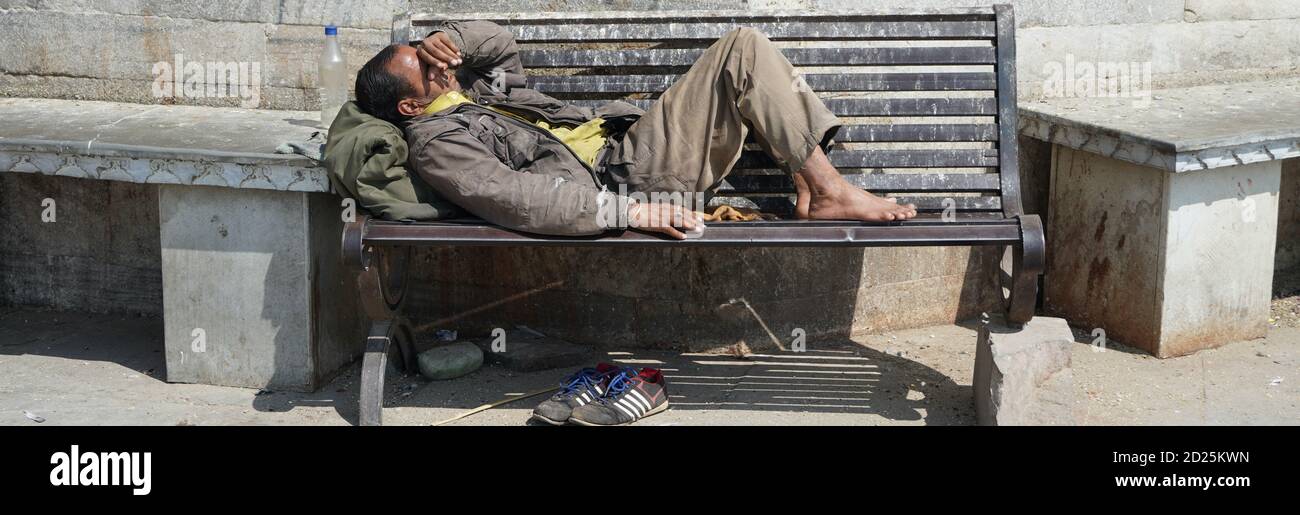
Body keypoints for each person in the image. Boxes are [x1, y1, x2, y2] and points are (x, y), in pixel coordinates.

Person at [351, 20, 917, 240]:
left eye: (430, 55)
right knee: (740, 52)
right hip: (624, 178)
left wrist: (448, 36)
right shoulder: (438, 143)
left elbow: (499, 44)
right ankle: (823, 190)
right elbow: (512, 197)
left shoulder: (476, 89)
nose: (439, 64)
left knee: (742, 47)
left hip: (626, 146)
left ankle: (817, 185)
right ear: (407, 108)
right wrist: (629, 212)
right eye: (425, 68)